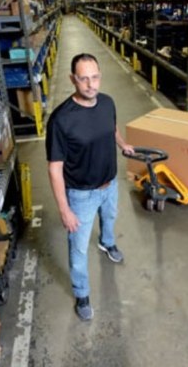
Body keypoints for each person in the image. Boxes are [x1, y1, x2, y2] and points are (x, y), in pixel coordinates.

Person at [45, 53, 135, 321]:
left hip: (110, 183)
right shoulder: (61, 120)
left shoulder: (107, 102)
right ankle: (82, 293)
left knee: (110, 217)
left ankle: (107, 243)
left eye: (94, 77)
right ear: (73, 79)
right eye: (83, 79)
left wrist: (122, 144)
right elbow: (54, 168)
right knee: (79, 249)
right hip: (81, 195)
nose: (90, 84)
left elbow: (112, 127)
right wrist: (65, 210)